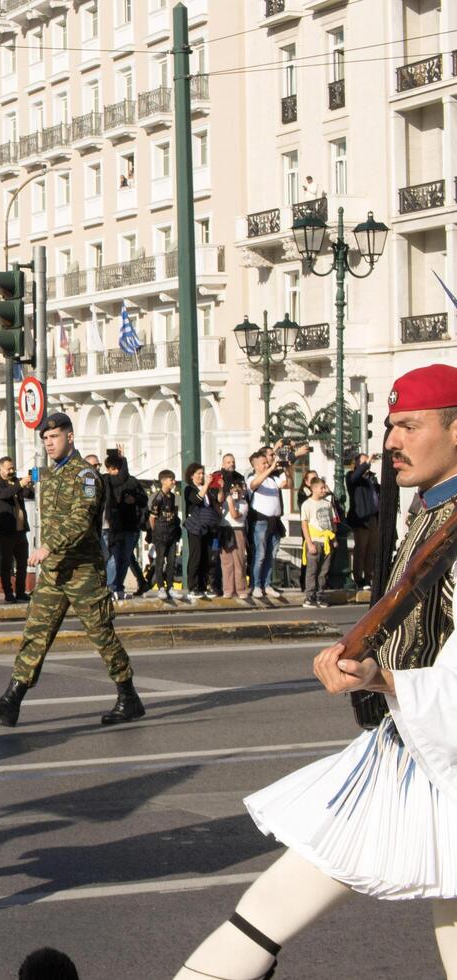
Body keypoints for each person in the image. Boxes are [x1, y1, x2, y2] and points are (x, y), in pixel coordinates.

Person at [174, 364, 457, 980]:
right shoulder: (432, 512)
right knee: (265, 913)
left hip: (441, 760)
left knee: (267, 914)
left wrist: (383, 679)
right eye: (390, 427)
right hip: (412, 749)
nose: (391, 442)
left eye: (410, 426)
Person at [0, 414, 143, 727]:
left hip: (83, 571)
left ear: (70, 437)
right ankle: (12, 701)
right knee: (36, 634)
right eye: (45, 438)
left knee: (102, 634)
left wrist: (50, 547)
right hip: (53, 572)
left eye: (55, 437)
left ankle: (128, 696)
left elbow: (81, 518)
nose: (49, 443)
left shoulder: (87, 476)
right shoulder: (48, 475)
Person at [248, 443, 299, 599]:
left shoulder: (272, 478)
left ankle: (267, 583)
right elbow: (254, 484)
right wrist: (270, 469)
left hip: (274, 521)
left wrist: (286, 468)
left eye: (266, 462)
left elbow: (287, 485)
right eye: (263, 463)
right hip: (260, 521)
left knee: (272, 554)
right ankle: (256, 585)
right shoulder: (252, 477)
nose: (266, 464)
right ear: (256, 466)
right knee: (261, 554)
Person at [103, 452, 147, 600]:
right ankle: (111, 587)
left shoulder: (132, 481)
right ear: (108, 469)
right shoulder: (106, 481)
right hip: (114, 526)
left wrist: (134, 499)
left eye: (118, 468)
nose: (116, 472)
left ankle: (118, 587)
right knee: (114, 558)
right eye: (113, 469)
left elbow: (144, 500)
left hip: (130, 525)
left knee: (126, 558)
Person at [0, 456, 33, 602]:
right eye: (8, 468)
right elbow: (5, 494)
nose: (11, 471)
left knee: (22, 563)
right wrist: (20, 484)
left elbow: (29, 495)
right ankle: (8, 593)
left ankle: (20, 592)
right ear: (0, 469)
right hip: (6, 532)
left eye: (12, 468)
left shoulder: (16, 482)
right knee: (7, 564)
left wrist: (28, 485)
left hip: (20, 531)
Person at [183, 462, 219, 599]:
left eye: (202, 473)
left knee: (206, 557)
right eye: (198, 474)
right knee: (195, 556)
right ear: (192, 476)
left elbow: (213, 504)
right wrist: (205, 485)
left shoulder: (207, 490)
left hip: (207, 527)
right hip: (195, 527)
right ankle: (192, 587)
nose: (201, 476)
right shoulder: (189, 489)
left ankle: (203, 586)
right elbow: (197, 500)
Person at [346, 452, 380, 589]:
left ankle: (369, 577)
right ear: (358, 464)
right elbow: (355, 477)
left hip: (373, 518)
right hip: (362, 518)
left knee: (372, 549)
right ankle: (359, 579)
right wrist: (367, 463)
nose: (369, 464)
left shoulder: (370, 479)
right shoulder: (352, 477)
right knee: (361, 549)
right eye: (365, 461)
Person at [300, 477, 335, 608]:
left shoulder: (327, 504)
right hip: (315, 540)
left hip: (326, 541)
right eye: (321, 488)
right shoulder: (307, 505)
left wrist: (334, 539)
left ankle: (320, 595)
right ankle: (310, 596)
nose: (324, 490)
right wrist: (309, 543)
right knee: (312, 570)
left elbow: (331, 522)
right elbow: (304, 525)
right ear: (313, 488)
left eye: (324, 487)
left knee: (324, 571)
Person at [149, 469, 182, 600]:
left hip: (171, 533)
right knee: (160, 560)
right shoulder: (158, 498)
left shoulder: (172, 497)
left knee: (172, 561)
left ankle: (170, 586)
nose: (173, 482)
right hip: (160, 533)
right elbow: (152, 518)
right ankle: (161, 587)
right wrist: (156, 531)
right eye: (171, 479)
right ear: (163, 481)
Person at [220, 479, 251, 599]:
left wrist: (232, 503)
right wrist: (222, 490)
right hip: (225, 529)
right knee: (226, 562)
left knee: (239, 561)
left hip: (237, 530)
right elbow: (219, 499)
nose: (236, 491)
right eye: (233, 489)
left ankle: (241, 589)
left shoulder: (244, 503)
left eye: (238, 489)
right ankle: (228, 589)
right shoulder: (225, 501)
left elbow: (235, 515)